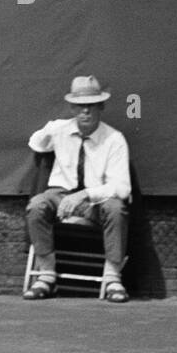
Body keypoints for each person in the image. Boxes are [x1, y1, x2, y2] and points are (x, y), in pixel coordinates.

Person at [24, 76, 131, 303]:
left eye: (91, 105)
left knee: (116, 208)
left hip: (95, 201)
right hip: (60, 195)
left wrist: (85, 194)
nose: (85, 112)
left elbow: (122, 188)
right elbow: (35, 143)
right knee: (36, 206)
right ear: (72, 107)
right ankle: (46, 276)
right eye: (80, 106)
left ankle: (112, 280)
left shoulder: (114, 139)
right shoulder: (60, 130)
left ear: (100, 107)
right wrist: (52, 128)